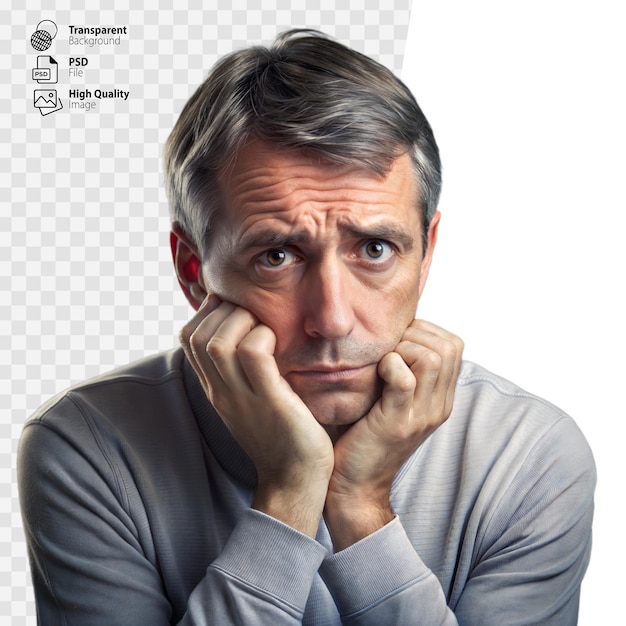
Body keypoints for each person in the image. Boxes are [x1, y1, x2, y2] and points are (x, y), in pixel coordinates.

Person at [18, 30, 595, 625]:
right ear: (194, 273)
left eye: (374, 248)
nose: (333, 319)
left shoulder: (529, 458)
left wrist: (360, 506)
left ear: (426, 253)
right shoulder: (87, 450)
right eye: (277, 256)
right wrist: (290, 493)